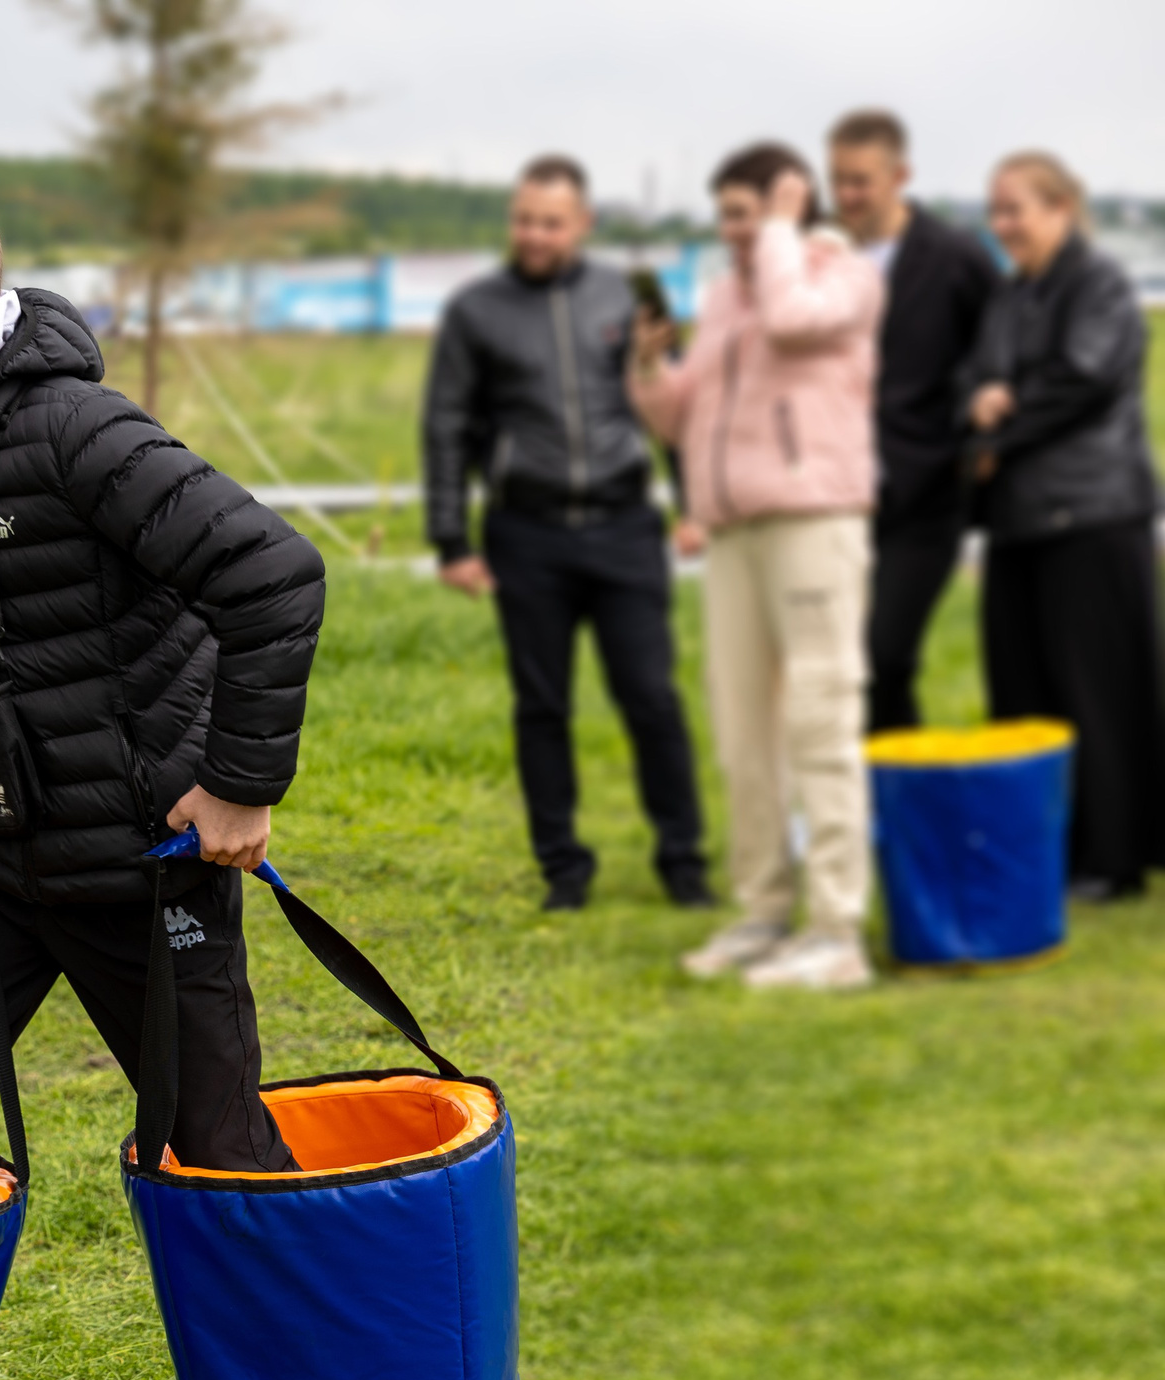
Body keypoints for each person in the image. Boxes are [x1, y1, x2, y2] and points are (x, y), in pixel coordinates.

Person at [0, 148, 326, 1204]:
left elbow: (273, 575)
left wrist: (239, 786)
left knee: (222, 1160)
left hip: (144, 868)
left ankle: (333, 1372)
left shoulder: (78, 430)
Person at [422, 155, 712, 913]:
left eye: (551, 222)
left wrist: (693, 503)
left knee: (652, 697)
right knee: (542, 706)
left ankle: (684, 862)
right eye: (524, 219)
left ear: (582, 224)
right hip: (528, 534)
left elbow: (670, 402)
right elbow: (446, 425)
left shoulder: (625, 294)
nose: (535, 234)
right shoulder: (476, 311)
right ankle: (564, 871)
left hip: (624, 527)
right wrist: (451, 540)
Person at [632, 144, 885, 989]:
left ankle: (838, 931)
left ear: (786, 202)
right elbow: (682, 418)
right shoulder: (727, 293)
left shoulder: (835, 273)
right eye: (728, 216)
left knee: (821, 718)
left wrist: (781, 225)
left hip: (814, 520)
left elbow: (793, 321)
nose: (732, 231)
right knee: (744, 730)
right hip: (733, 532)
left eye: (746, 212)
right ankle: (766, 909)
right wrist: (648, 364)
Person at [962, 150, 1165, 901]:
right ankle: (1049, 847)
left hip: (1094, 513)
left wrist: (996, 428)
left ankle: (1114, 858)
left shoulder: (1101, 283)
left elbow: (1080, 380)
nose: (1002, 225)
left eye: (1015, 208)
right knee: (1025, 691)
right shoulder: (1012, 296)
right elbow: (975, 381)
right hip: (1019, 521)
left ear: (1061, 208)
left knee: (1099, 695)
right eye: (995, 210)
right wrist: (982, 411)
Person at [825, 109, 1002, 733]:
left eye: (861, 182)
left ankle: (903, 807)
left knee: (886, 657)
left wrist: (974, 433)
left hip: (925, 494)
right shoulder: (821, 254)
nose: (846, 196)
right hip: (833, 492)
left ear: (901, 175)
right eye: (837, 180)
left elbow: (998, 346)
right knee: (835, 667)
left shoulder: (955, 255)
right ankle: (857, 811)